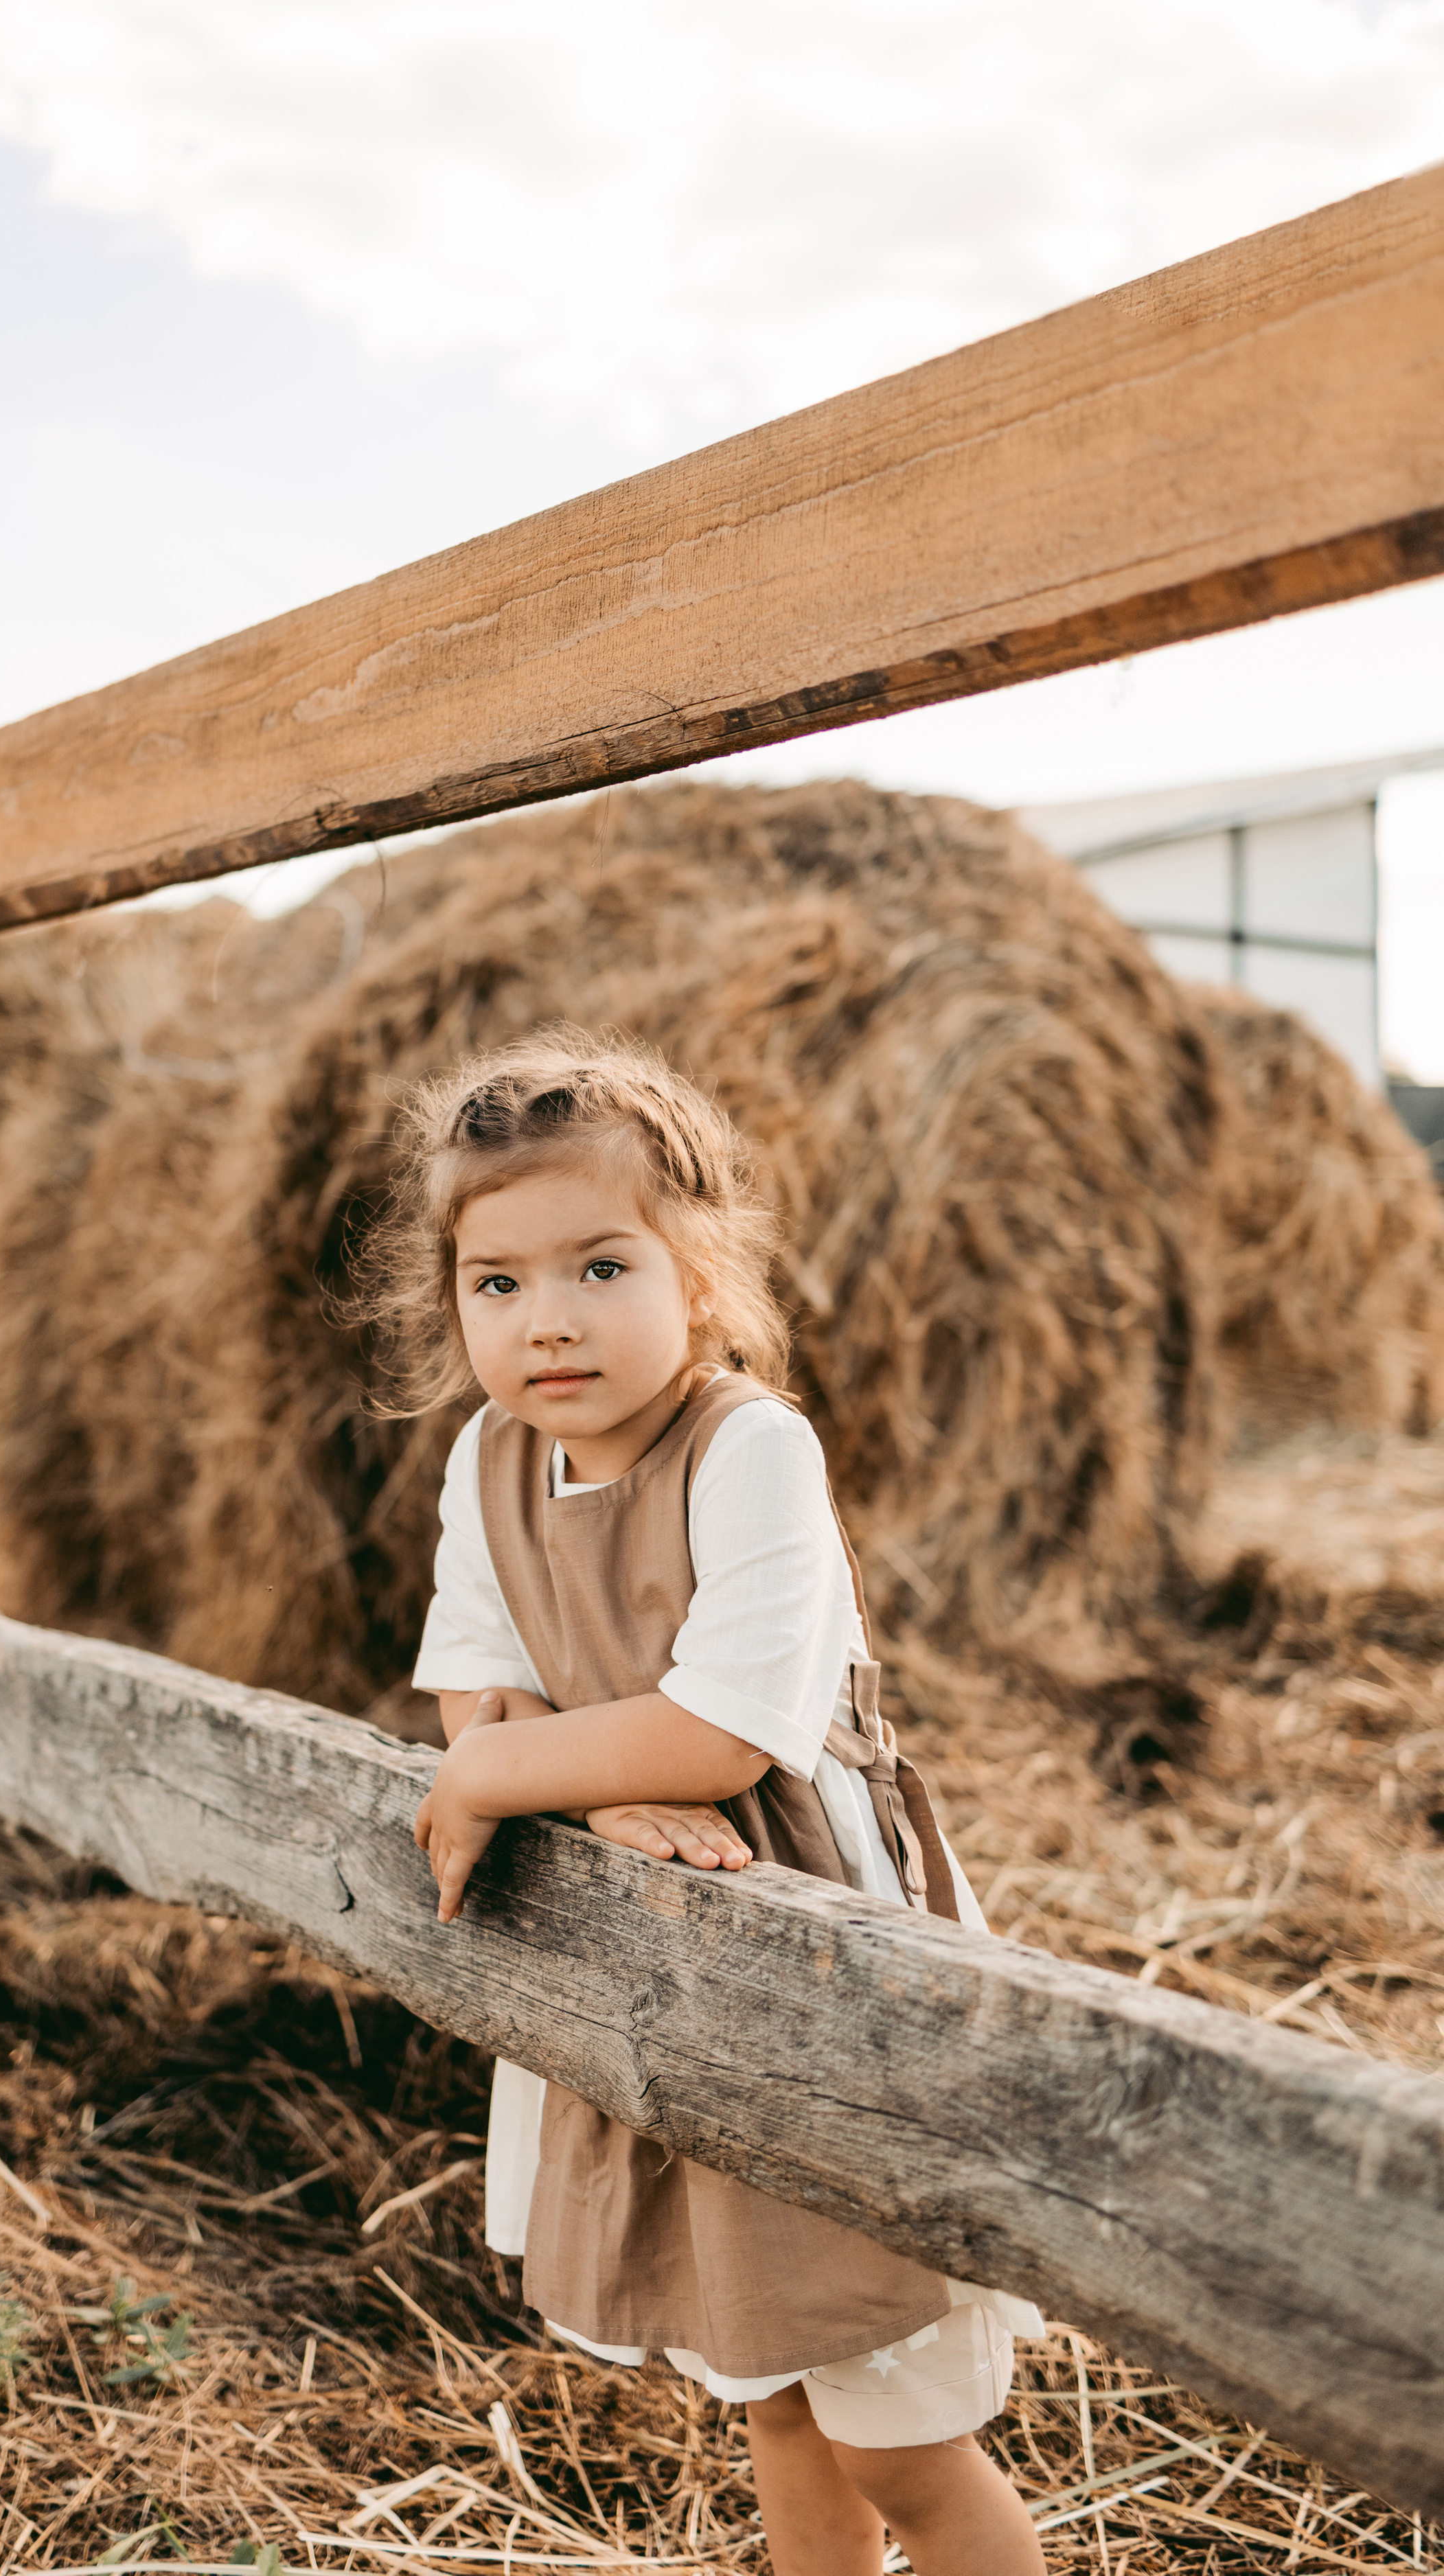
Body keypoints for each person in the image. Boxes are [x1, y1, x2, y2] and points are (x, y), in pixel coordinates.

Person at [364, 1028, 1046, 2576]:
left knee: (896, 2428)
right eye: (497, 1281)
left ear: (699, 1273)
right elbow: (478, 1678)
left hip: (818, 1954)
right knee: (775, 2394)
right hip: (665, 1951)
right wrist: (589, 1797)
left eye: (601, 1267)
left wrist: (495, 1775)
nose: (548, 1320)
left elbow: (720, 1733)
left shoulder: (749, 1448)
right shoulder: (487, 1460)